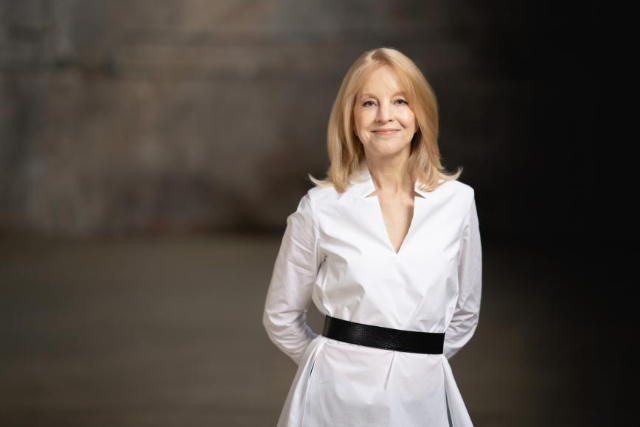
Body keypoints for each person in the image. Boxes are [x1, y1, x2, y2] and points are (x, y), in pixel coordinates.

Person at [262, 47, 483, 427]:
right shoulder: (321, 207)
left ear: (419, 114)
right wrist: (331, 368)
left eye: (400, 101)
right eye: (369, 103)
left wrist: (412, 367)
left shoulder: (458, 202)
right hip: (333, 403)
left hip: (423, 398)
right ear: (350, 118)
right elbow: (280, 316)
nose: (384, 116)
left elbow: (466, 312)